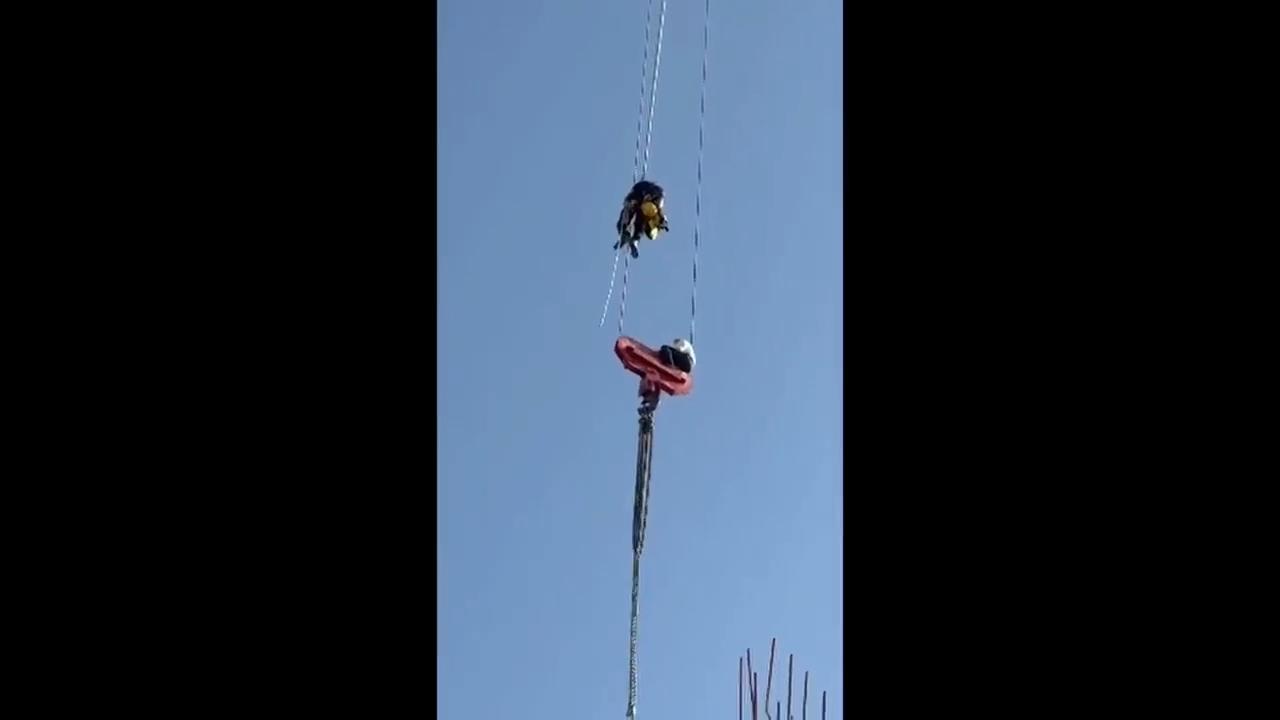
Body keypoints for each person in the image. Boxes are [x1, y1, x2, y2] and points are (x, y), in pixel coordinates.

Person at [614, 180, 670, 258]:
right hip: (643, 220)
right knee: (630, 212)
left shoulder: (653, 203)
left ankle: (632, 238)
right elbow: (627, 206)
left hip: (651, 225)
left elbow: (659, 213)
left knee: (643, 211)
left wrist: (663, 221)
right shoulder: (636, 197)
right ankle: (626, 234)